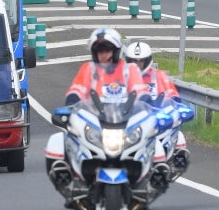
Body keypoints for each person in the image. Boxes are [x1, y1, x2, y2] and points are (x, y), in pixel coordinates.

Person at [124, 40, 190, 182]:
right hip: (128, 118)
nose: (137, 65)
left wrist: (178, 105)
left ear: (147, 60)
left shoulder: (158, 76)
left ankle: (173, 159)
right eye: (133, 61)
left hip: (154, 115)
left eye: (140, 61)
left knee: (177, 130)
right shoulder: (120, 77)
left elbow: (172, 94)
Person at [65, 27, 149, 106]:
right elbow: (78, 89)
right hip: (94, 114)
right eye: (100, 52)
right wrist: (72, 101)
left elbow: (139, 89)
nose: (104, 55)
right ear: (95, 53)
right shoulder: (88, 68)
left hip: (126, 114)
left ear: (115, 51)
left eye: (107, 51)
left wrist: (147, 99)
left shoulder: (129, 69)